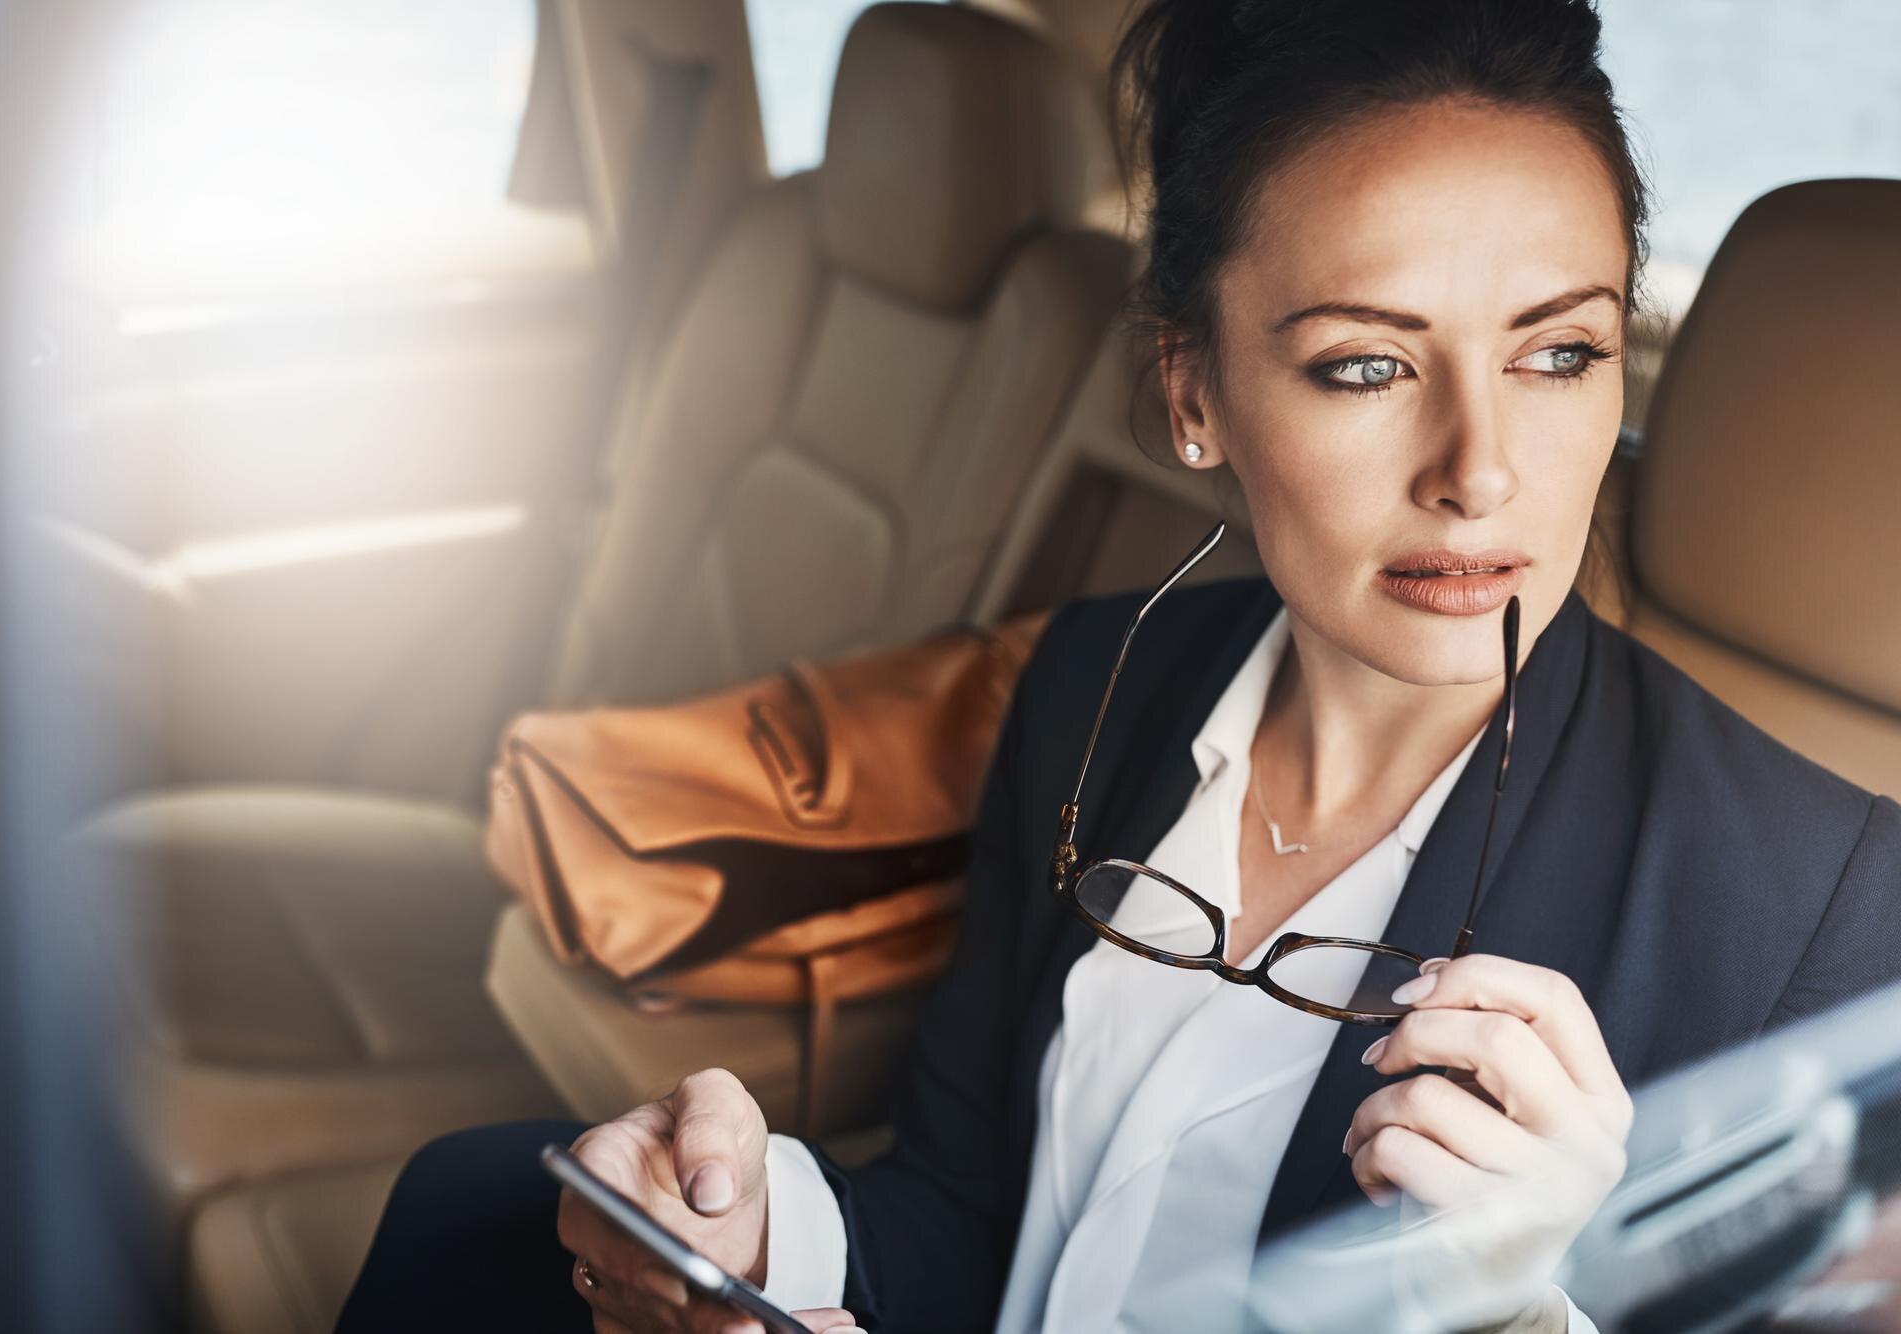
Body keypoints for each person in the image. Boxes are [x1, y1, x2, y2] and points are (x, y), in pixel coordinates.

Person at [335, 1, 1901, 1330]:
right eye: (1365, 364)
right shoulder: (1097, 684)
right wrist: (753, 1229)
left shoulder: (1832, 918)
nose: (1479, 470)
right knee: (474, 1206)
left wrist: (1530, 1310)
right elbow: (974, 1215)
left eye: (1558, 353)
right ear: (1194, 393)